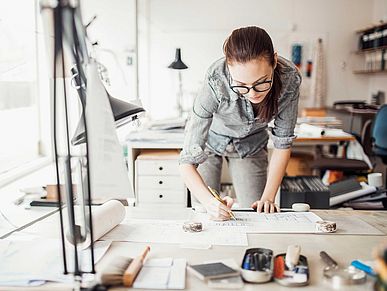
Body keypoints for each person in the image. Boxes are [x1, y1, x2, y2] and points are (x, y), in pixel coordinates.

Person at [179, 26, 301, 220]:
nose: (253, 93)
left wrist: (268, 198)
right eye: (241, 86)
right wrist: (209, 203)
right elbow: (187, 162)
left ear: (275, 61)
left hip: (251, 144)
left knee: (257, 212)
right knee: (205, 213)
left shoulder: (289, 79)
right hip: (210, 143)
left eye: (261, 82)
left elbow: (283, 143)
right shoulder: (216, 79)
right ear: (229, 70)